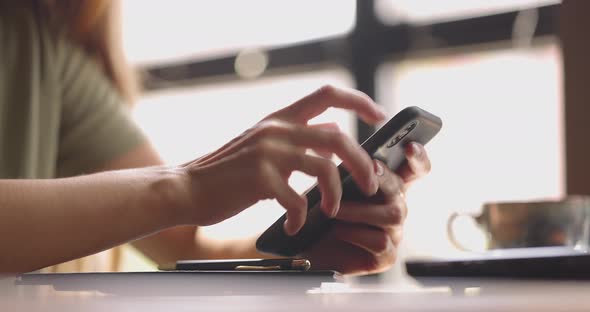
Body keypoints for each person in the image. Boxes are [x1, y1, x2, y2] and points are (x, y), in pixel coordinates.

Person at [0, 0, 432, 275]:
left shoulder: (35, 44)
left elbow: (184, 243)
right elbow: (174, 204)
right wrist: (186, 185)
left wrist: (305, 249)